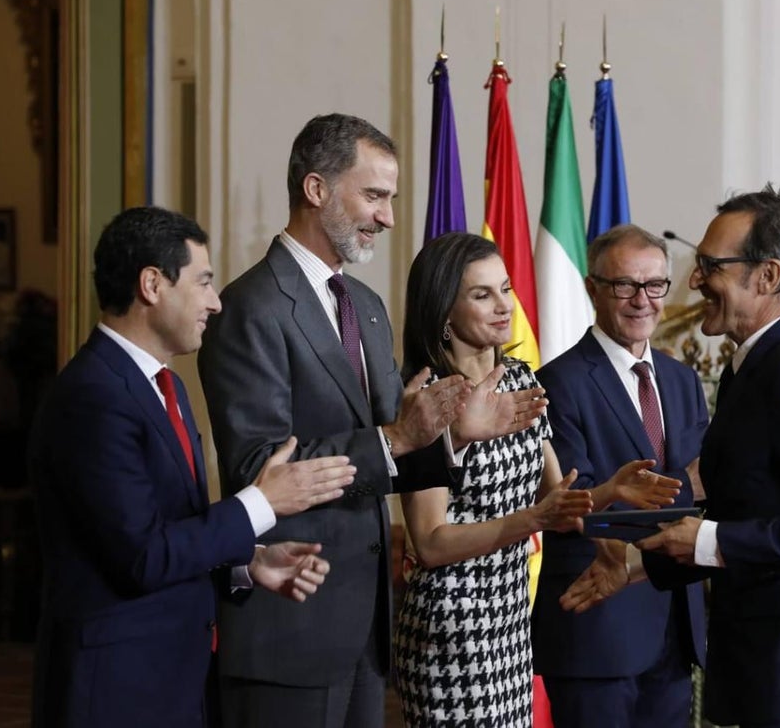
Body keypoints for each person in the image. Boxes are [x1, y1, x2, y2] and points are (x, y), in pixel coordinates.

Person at [197, 114, 546, 728]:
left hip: (368, 629)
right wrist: (394, 439)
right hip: (292, 623)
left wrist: (456, 435)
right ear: (316, 190)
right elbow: (259, 471)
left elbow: (403, 444)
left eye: (390, 199)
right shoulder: (250, 308)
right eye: (374, 196)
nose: (387, 217)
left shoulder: (367, 306)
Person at [562, 185, 780, 728]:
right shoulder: (752, 364)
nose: (693, 281)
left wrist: (711, 539)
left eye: (710, 265)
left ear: (766, 276)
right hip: (776, 663)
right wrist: (638, 564)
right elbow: (751, 501)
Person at [30, 206, 357, 728]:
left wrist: (245, 563)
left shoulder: (168, 387)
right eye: (203, 282)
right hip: (116, 691)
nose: (215, 301)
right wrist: (262, 503)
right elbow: (141, 556)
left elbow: (169, 530)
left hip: (174, 683)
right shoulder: (92, 396)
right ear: (153, 284)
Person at [392, 232, 677, 727]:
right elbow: (431, 543)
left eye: (505, 289)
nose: (505, 306)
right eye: (482, 295)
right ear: (443, 312)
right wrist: (530, 520)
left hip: (509, 625)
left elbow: (556, 499)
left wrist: (609, 490)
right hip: (451, 627)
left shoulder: (523, 380)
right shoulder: (426, 401)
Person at [531, 224, 708, 727]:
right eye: (624, 285)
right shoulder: (557, 384)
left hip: (676, 623)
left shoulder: (682, 381)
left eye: (654, 285)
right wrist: (684, 485)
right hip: (597, 632)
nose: (641, 300)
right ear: (592, 289)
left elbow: (705, 488)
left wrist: (687, 488)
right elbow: (574, 503)